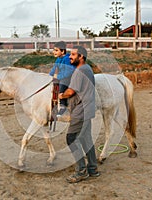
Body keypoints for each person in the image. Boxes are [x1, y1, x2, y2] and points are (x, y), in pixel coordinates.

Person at [58, 46, 99, 183]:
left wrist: (61, 96)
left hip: (80, 111)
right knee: (86, 139)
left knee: (71, 138)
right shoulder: (88, 69)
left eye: (73, 55)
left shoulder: (80, 71)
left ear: (81, 57)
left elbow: (70, 92)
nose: (70, 57)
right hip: (88, 109)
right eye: (70, 54)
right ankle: (93, 168)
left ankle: (81, 171)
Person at [49, 41, 76, 116]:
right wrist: (49, 76)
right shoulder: (58, 59)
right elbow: (54, 69)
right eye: (54, 50)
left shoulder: (67, 59)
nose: (54, 52)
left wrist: (58, 77)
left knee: (62, 84)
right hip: (63, 76)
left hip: (70, 76)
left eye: (56, 50)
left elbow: (69, 71)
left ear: (63, 51)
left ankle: (63, 106)